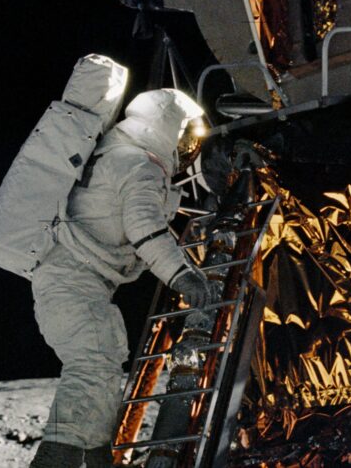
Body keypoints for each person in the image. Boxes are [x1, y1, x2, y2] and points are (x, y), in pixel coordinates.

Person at [29, 88, 215, 468]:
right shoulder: (136, 164)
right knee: (93, 368)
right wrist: (182, 275)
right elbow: (144, 227)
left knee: (105, 368)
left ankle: (98, 457)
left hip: (79, 284)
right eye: (185, 137)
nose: (187, 148)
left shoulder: (117, 157)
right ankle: (55, 459)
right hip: (73, 281)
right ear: (166, 128)